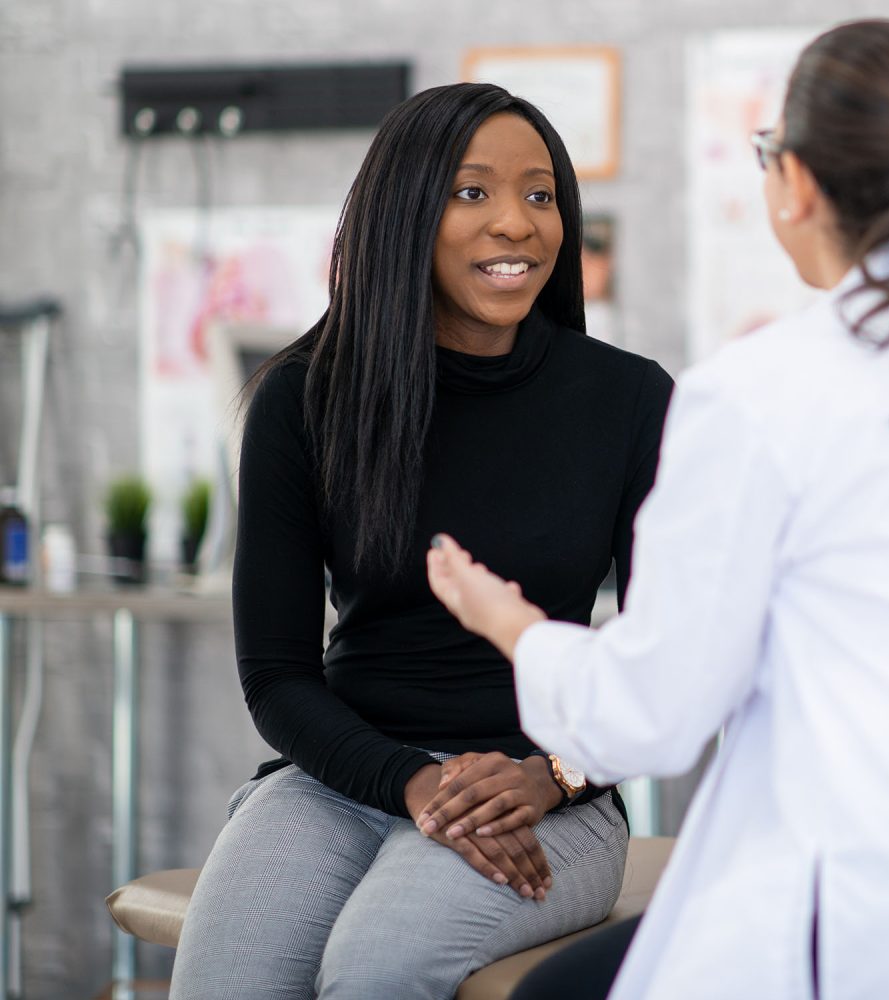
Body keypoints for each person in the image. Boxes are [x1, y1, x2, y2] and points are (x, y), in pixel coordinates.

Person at [424, 20, 889, 1000]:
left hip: (852, 909)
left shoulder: (761, 392)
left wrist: (510, 625)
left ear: (799, 184)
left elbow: (653, 717)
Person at [169, 82, 673, 1000]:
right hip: (345, 776)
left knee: (374, 971)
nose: (517, 223)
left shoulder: (632, 400)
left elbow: (667, 659)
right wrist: (411, 784)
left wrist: (552, 775)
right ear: (405, 215)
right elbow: (275, 674)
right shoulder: (302, 397)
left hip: (554, 795)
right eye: (472, 192)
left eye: (541, 194)